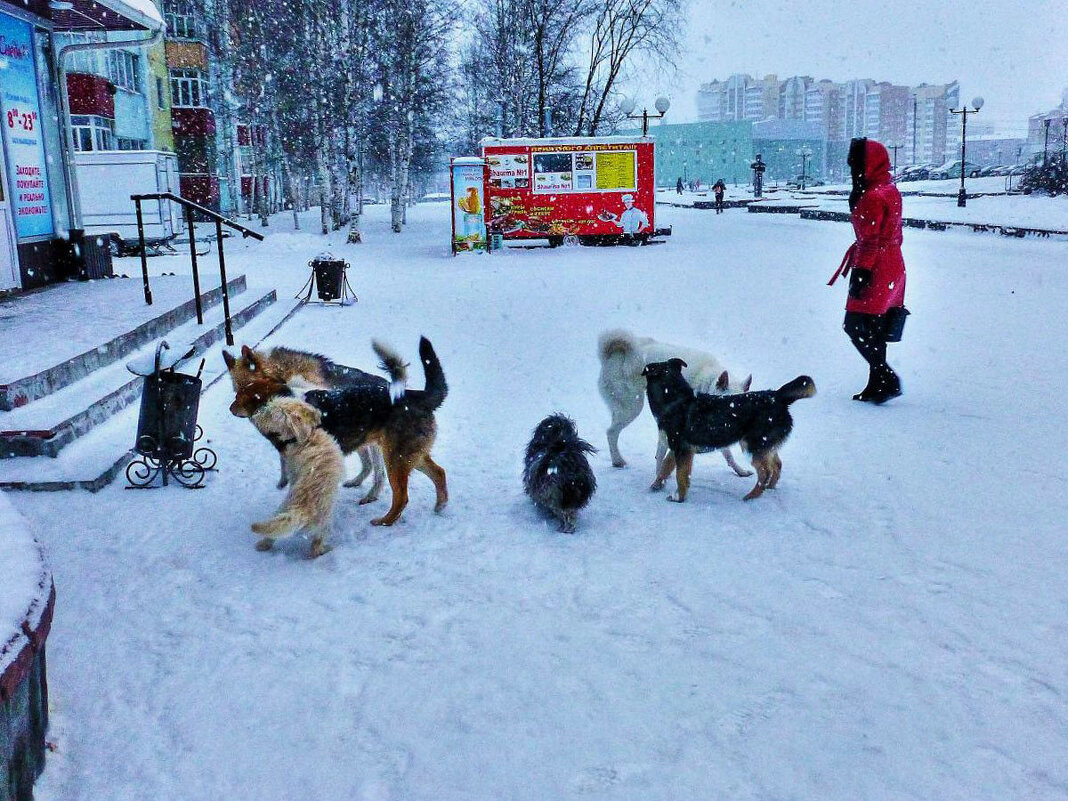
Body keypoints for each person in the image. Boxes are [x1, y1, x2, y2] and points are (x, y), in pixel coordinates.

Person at [827, 138, 907, 403]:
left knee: (855, 325)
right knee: (875, 326)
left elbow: (871, 239)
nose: (851, 166)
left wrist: (861, 272)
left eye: (855, 161)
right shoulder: (889, 189)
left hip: (875, 263)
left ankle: (885, 377)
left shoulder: (872, 196)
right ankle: (878, 383)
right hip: (893, 262)